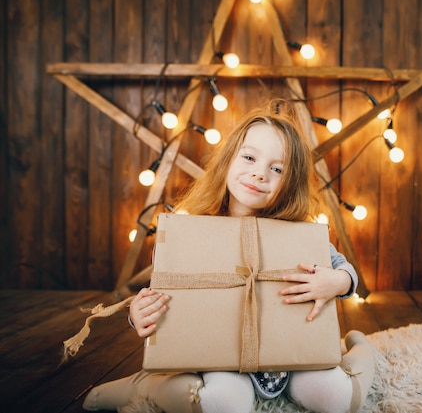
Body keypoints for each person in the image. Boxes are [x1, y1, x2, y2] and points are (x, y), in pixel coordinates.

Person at [82, 99, 376, 413]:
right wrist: (136, 313)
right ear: (228, 161)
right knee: (224, 404)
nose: (260, 174)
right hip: (218, 358)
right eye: (249, 157)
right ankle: (145, 385)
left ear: (291, 183)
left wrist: (340, 281)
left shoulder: (298, 233)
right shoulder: (195, 230)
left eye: (277, 169)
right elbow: (167, 290)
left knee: (334, 398)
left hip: (291, 359)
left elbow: (343, 270)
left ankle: (360, 350)